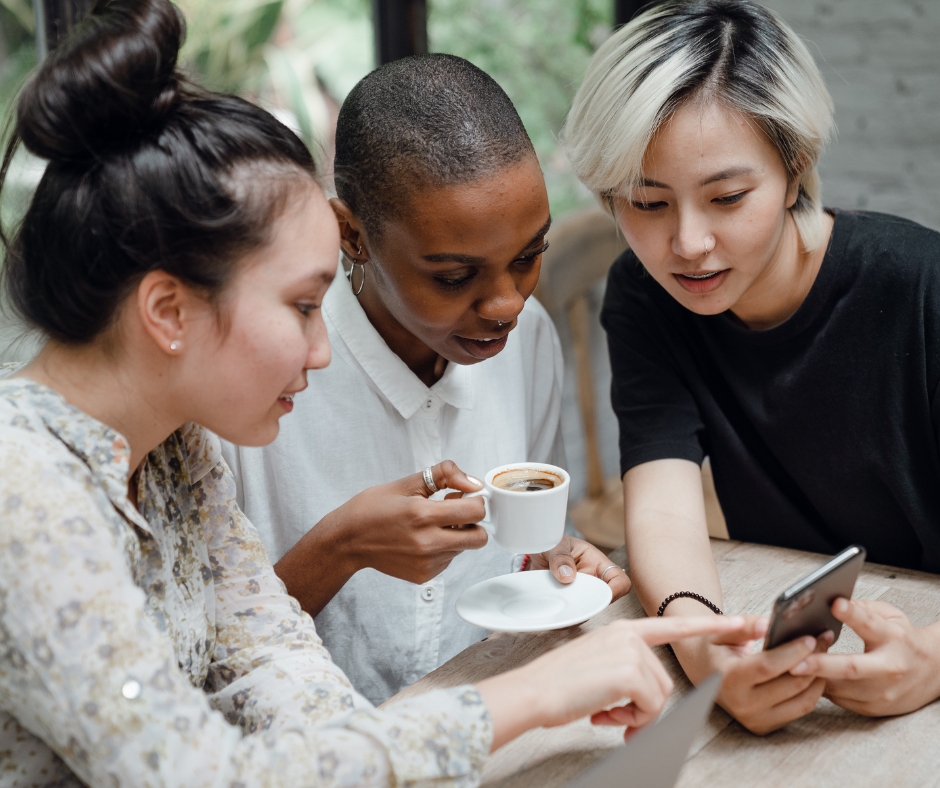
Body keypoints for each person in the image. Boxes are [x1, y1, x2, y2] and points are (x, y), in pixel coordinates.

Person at [0, 1, 753, 784]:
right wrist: (528, 697)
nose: (323, 348)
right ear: (167, 311)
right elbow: (195, 772)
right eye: (301, 306)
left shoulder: (174, 456)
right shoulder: (21, 486)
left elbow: (275, 670)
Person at [561, 0, 940, 734]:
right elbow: (665, 508)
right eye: (647, 202)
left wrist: (932, 659)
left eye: (728, 197)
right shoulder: (646, 298)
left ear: (796, 168)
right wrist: (708, 656)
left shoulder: (921, 287)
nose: (689, 243)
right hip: (797, 631)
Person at [222, 54, 630, 705]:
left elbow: (525, 553)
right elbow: (204, 661)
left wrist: (555, 559)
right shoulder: (258, 385)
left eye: (528, 257)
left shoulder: (529, 344)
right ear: (351, 235)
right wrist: (339, 548)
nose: (506, 305)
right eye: (453, 277)